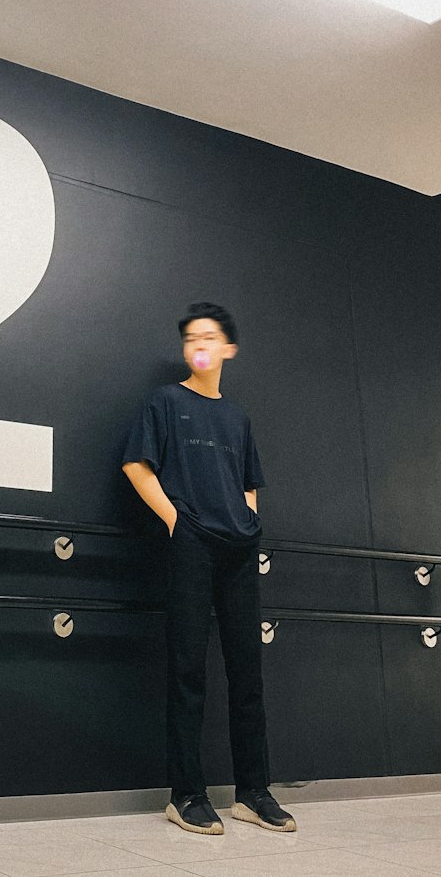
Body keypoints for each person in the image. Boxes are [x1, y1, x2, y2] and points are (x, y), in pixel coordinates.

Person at [121, 302, 296, 836]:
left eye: (208, 336)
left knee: (248, 673)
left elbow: (249, 481)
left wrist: (247, 522)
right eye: (190, 337)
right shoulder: (166, 401)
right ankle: (187, 795)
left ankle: (254, 792)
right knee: (188, 670)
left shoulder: (237, 416)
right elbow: (135, 464)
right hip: (192, 545)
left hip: (239, 550)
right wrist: (178, 522)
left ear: (228, 348)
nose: (198, 344)